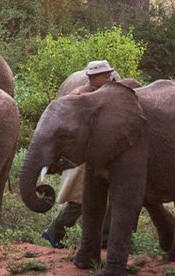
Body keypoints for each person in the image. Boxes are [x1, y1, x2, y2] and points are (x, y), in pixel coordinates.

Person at [41, 60, 117, 249]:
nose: (110, 77)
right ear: (93, 77)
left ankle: (105, 238)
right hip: (82, 158)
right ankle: (54, 231)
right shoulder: (81, 97)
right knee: (81, 199)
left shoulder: (102, 94)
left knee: (108, 197)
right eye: (105, 75)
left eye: (109, 73)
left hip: (101, 155)